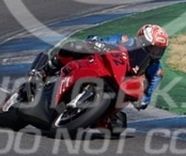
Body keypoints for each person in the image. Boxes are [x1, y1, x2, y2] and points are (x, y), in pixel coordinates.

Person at [41, 24, 169, 110]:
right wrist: (97, 42)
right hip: (105, 66)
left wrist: (143, 100)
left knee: (118, 125)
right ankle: (47, 70)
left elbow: (147, 94)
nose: (155, 53)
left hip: (121, 87)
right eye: (153, 48)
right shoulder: (125, 41)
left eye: (159, 50)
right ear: (142, 41)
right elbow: (103, 41)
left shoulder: (156, 70)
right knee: (75, 47)